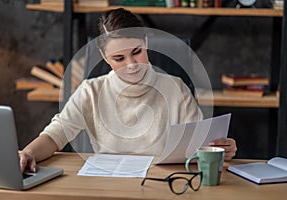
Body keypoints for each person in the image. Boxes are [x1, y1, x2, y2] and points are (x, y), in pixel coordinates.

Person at [19, 8, 237, 173]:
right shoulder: (91, 91)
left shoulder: (176, 88)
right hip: (109, 186)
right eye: (119, 58)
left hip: (161, 184)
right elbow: (55, 135)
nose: (132, 64)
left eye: (137, 52)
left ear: (145, 41)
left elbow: (200, 147)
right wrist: (27, 153)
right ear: (105, 57)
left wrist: (221, 150)